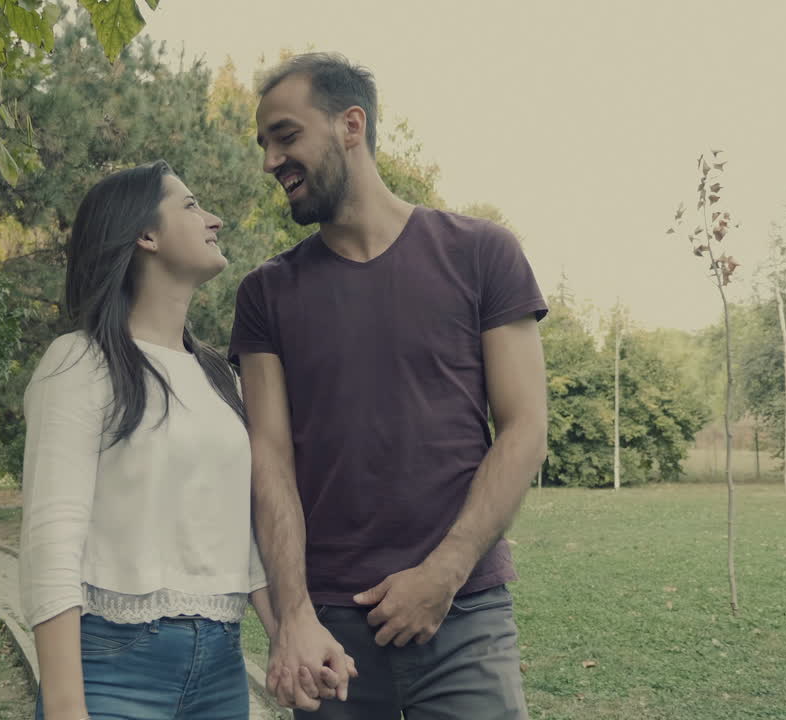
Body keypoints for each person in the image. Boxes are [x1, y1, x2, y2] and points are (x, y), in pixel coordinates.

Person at [230, 53, 549, 719]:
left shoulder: (482, 253)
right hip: (330, 634)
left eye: (286, 136)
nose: (270, 161)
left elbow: (525, 428)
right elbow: (270, 456)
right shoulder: (266, 294)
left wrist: (445, 572)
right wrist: (294, 617)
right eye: (264, 144)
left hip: (464, 616)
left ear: (351, 125)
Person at [19, 160, 283, 720]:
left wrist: (284, 634)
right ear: (145, 234)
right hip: (111, 672)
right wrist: (67, 706)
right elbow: (51, 541)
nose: (213, 219)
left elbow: (242, 533)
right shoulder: (78, 361)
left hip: (221, 672)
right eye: (190, 205)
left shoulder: (220, 375)